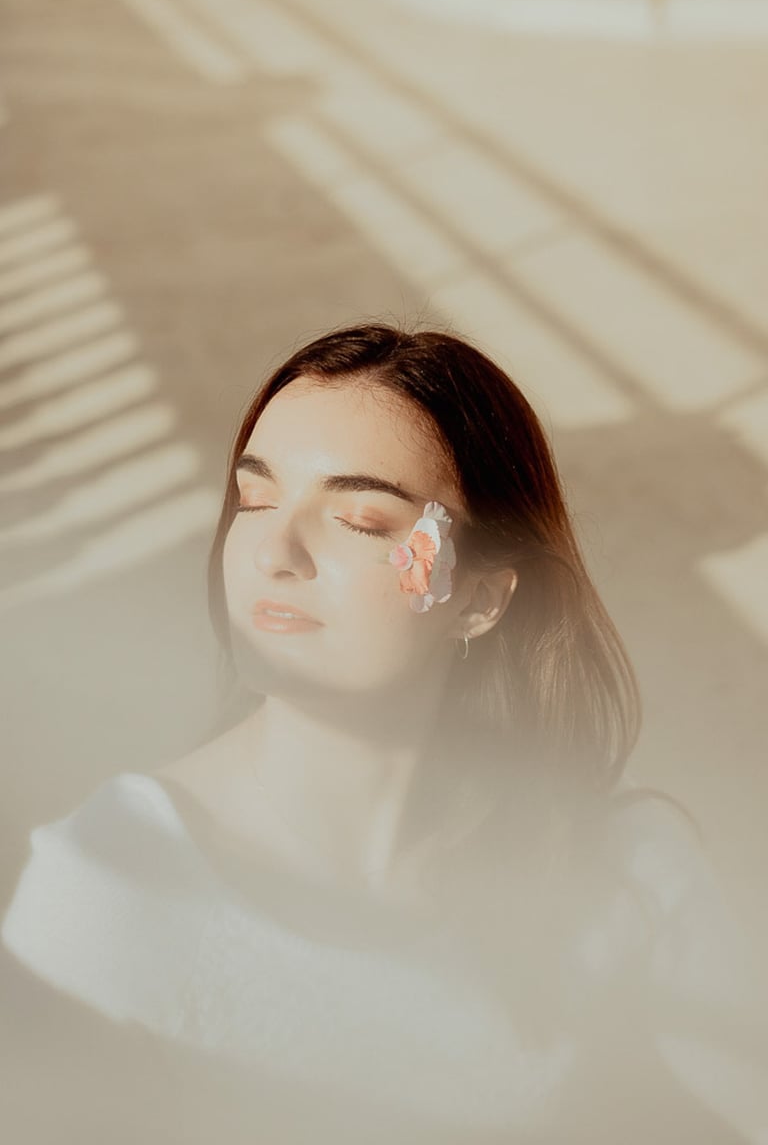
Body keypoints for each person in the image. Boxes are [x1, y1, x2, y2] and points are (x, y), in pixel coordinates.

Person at [2, 325, 765, 1143]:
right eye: (256, 500)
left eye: (362, 519)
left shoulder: (630, 867)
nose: (275, 550)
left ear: (478, 599)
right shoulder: (108, 885)